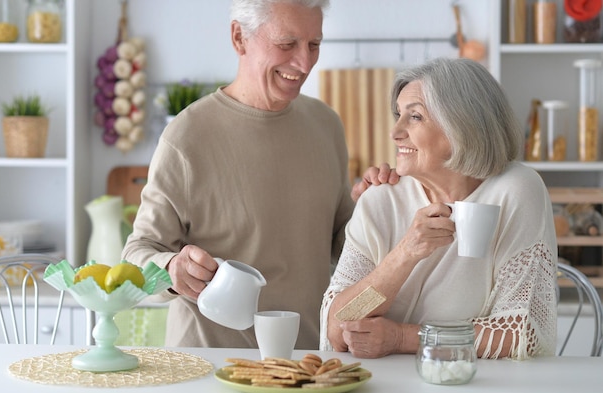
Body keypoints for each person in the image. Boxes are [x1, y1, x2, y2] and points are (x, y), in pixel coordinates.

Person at [122, 0, 397, 349]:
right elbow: (138, 252)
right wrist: (173, 268)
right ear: (239, 37)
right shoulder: (187, 137)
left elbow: (343, 246)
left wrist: (374, 207)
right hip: (211, 369)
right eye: (287, 44)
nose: (305, 62)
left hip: (305, 361)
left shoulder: (325, 125)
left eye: (314, 45)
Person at [320, 57, 558, 360]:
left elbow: (521, 332)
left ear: (462, 124)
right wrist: (405, 254)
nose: (395, 132)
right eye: (398, 115)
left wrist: (402, 337)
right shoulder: (379, 199)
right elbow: (338, 329)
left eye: (415, 117)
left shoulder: (516, 190)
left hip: (479, 389)